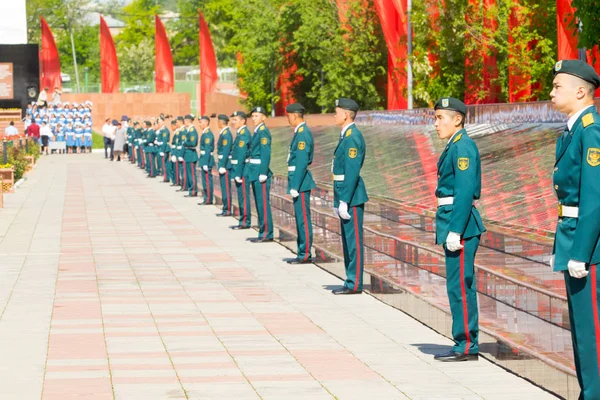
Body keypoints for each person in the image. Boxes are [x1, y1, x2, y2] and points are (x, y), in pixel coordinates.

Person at [550, 59, 600, 398]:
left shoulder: (591, 130)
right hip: (572, 239)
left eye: (557, 86)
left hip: (588, 248)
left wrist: (580, 252)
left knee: (591, 331)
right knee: (582, 332)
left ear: (580, 91)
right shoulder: (574, 130)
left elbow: (595, 199)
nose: (551, 92)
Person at [432, 97, 485, 362]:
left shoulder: (462, 146)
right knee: (457, 285)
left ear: (458, 119)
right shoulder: (455, 145)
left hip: (460, 224)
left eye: (441, 118)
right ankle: (463, 340)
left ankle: (466, 344)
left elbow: (464, 191)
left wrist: (456, 230)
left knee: (461, 286)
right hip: (452, 219)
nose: (436, 124)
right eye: (436, 118)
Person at [331, 98, 368, 295]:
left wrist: (344, 199)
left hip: (352, 196)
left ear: (346, 114)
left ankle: (354, 283)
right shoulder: (346, 135)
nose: (334, 115)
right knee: (347, 241)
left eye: (336, 112)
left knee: (353, 242)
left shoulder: (352, 136)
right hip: (344, 194)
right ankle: (350, 279)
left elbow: (352, 171)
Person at [285, 103, 316, 263]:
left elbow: (302, 162)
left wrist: (295, 185)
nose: (288, 118)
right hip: (297, 181)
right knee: (299, 219)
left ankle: (305, 253)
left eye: (289, 115)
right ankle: (301, 251)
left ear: (294, 115)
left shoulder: (303, 134)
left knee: (303, 219)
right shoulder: (299, 133)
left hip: (301, 183)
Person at [247, 106, 274, 243]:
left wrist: (263, 172)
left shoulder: (263, 132)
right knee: (259, 203)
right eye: (252, 116)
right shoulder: (257, 131)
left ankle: (267, 233)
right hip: (254, 170)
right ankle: (263, 230)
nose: (254, 118)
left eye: (256, 116)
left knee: (263, 203)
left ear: (264, 117)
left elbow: (265, 153)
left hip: (259, 171)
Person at [229, 111, 252, 230]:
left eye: (235, 120)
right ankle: (243, 220)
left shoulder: (244, 134)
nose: (233, 122)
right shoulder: (240, 134)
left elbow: (241, 155)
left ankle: (245, 221)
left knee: (243, 196)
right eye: (232, 120)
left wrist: (238, 173)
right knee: (241, 196)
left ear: (243, 121)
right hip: (240, 170)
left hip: (243, 170)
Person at [216, 114, 233, 216]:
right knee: (223, 187)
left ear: (221, 122)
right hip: (223, 163)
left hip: (226, 165)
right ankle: (225, 208)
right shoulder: (224, 133)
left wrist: (222, 165)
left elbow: (226, 150)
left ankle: (227, 209)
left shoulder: (226, 134)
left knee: (226, 187)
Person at [198, 115, 215, 205]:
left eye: (201, 122)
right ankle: (206, 198)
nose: (199, 124)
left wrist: (205, 162)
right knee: (205, 180)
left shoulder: (208, 134)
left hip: (207, 160)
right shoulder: (205, 133)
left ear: (206, 122)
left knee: (207, 180)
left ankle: (208, 199)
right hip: (204, 159)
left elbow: (208, 149)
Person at [182, 115, 199, 197]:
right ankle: (191, 190)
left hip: (191, 155)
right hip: (188, 155)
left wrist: (184, 143)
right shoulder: (189, 130)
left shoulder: (192, 130)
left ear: (187, 121)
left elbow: (193, 143)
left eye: (184, 121)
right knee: (189, 174)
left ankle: (193, 191)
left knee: (191, 174)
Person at [156, 117, 171, 182]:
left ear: (163, 122)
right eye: (158, 122)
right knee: (164, 164)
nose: (159, 123)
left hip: (164, 148)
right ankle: (165, 177)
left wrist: (162, 150)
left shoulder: (164, 130)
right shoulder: (161, 130)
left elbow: (164, 141)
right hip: (162, 147)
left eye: (160, 122)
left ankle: (166, 178)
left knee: (165, 164)